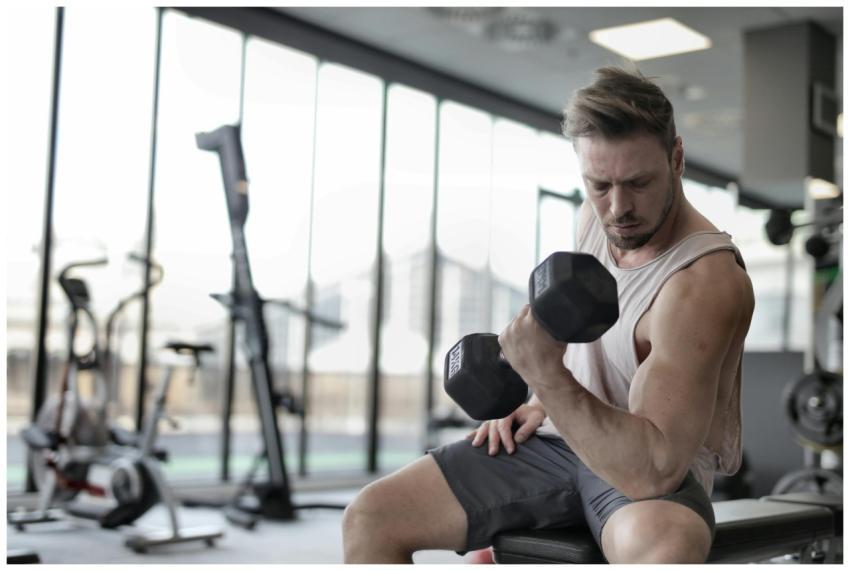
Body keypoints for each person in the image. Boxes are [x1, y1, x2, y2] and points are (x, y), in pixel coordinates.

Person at [341, 66, 755, 564]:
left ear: (677, 158)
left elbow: (655, 468)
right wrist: (539, 403)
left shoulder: (702, 282)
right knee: (371, 516)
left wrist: (544, 376)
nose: (618, 207)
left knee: (666, 546)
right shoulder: (595, 219)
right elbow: (590, 352)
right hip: (558, 442)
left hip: (643, 474)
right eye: (600, 184)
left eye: (639, 183)